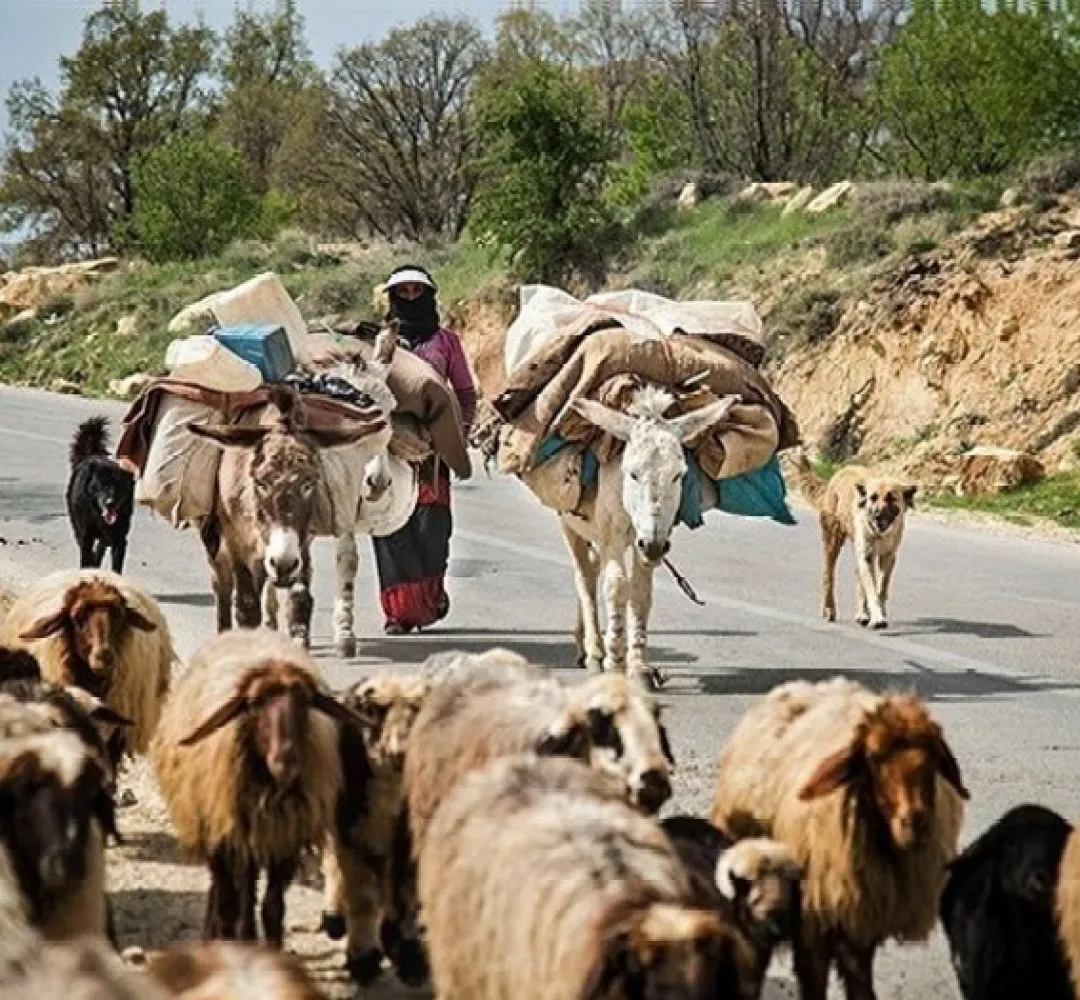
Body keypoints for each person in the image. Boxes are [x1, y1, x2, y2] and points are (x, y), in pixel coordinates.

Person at [373, 264, 477, 634]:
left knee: (432, 528)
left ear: (429, 296)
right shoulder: (379, 339)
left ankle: (430, 600)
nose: (411, 298)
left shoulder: (447, 342)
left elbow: (464, 392)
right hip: (389, 447)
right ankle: (398, 613)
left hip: (432, 450)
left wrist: (459, 431)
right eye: (404, 292)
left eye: (418, 291)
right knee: (389, 525)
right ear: (393, 297)